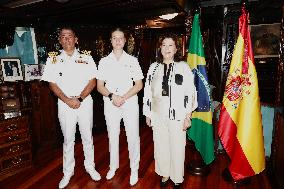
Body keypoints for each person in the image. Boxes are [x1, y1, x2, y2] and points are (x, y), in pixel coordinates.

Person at [41, 27, 101, 189]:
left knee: (87, 137)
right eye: (63, 37)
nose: (67, 39)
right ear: (60, 40)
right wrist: (67, 100)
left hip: (84, 102)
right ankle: (68, 172)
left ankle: (90, 167)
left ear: (76, 39)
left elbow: (93, 81)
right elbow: (51, 83)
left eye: (70, 36)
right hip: (64, 103)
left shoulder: (86, 57)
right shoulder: (52, 60)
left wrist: (80, 98)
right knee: (68, 139)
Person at [143, 34, 197, 188]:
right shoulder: (153, 67)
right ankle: (165, 173)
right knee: (160, 145)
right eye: (164, 45)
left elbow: (190, 93)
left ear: (176, 48)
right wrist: (148, 113)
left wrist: (188, 116)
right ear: (160, 48)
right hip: (158, 114)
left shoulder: (183, 67)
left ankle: (177, 177)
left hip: (178, 115)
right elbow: (148, 91)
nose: (167, 48)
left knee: (177, 146)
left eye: (170, 45)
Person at [96, 28, 143, 186]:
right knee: (112, 136)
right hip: (111, 103)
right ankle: (113, 166)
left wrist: (123, 97)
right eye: (114, 38)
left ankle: (134, 169)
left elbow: (139, 84)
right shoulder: (104, 61)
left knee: (133, 136)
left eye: (120, 38)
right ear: (111, 41)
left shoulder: (132, 61)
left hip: (129, 102)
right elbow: (99, 86)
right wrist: (112, 96)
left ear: (125, 41)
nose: (117, 41)